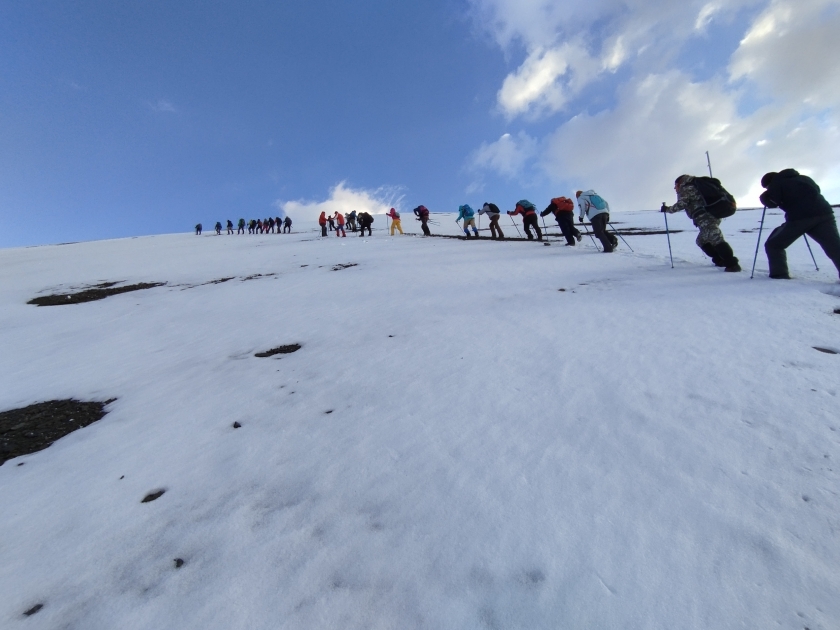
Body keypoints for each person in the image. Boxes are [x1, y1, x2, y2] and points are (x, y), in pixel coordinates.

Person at [759, 169, 840, 280]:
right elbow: (817, 190)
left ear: (769, 183)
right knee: (834, 247)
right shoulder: (805, 178)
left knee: (774, 245)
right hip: (825, 214)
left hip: (799, 219)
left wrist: (764, 198)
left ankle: (779, 276)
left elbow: (772, 203)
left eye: (767, 187)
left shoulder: (776, 184)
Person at [660, 175, 740, 271]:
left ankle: (732, 264)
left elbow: (682, 203)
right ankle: (720, 260)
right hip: (710, 216)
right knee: (701, 241)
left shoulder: (686, 187)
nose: (675, 188)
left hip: (704, 217)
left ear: (679, 183)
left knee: (716, 239)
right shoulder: (696, 185)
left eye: (675, 185)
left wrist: (668, 209)